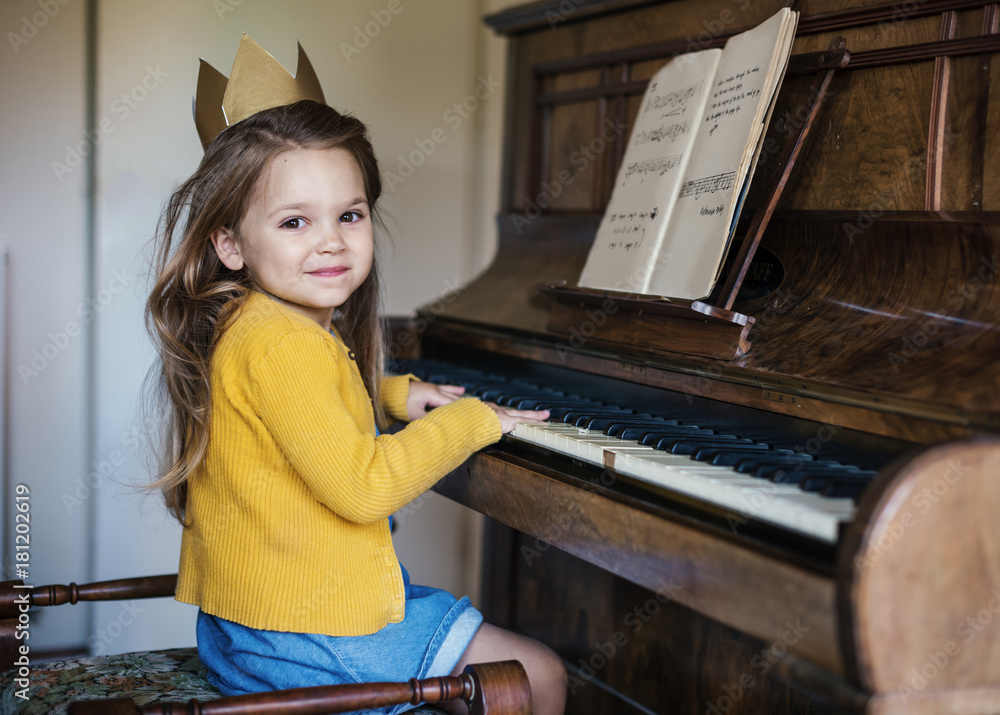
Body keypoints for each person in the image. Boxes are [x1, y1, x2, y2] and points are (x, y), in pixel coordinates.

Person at [144, 43, 566, 715]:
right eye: (294, 221)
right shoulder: (286, 343)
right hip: (307, 636)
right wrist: (473, 420)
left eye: (349, 214)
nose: (332, 240)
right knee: (536, 672)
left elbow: (303, 412)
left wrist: (400, 395)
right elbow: (366, 487)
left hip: (246, 628)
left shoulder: (251, 323)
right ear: (229, 242)